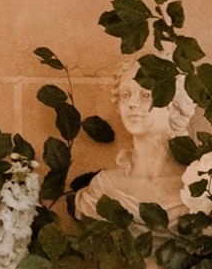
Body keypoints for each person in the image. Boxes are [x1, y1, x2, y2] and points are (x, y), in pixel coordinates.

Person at [77, 58, 195, 223]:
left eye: (146, 95)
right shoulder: (102, 189)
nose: (132, 103)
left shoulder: (198, 188)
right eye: (126, 95)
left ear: (174, 108)